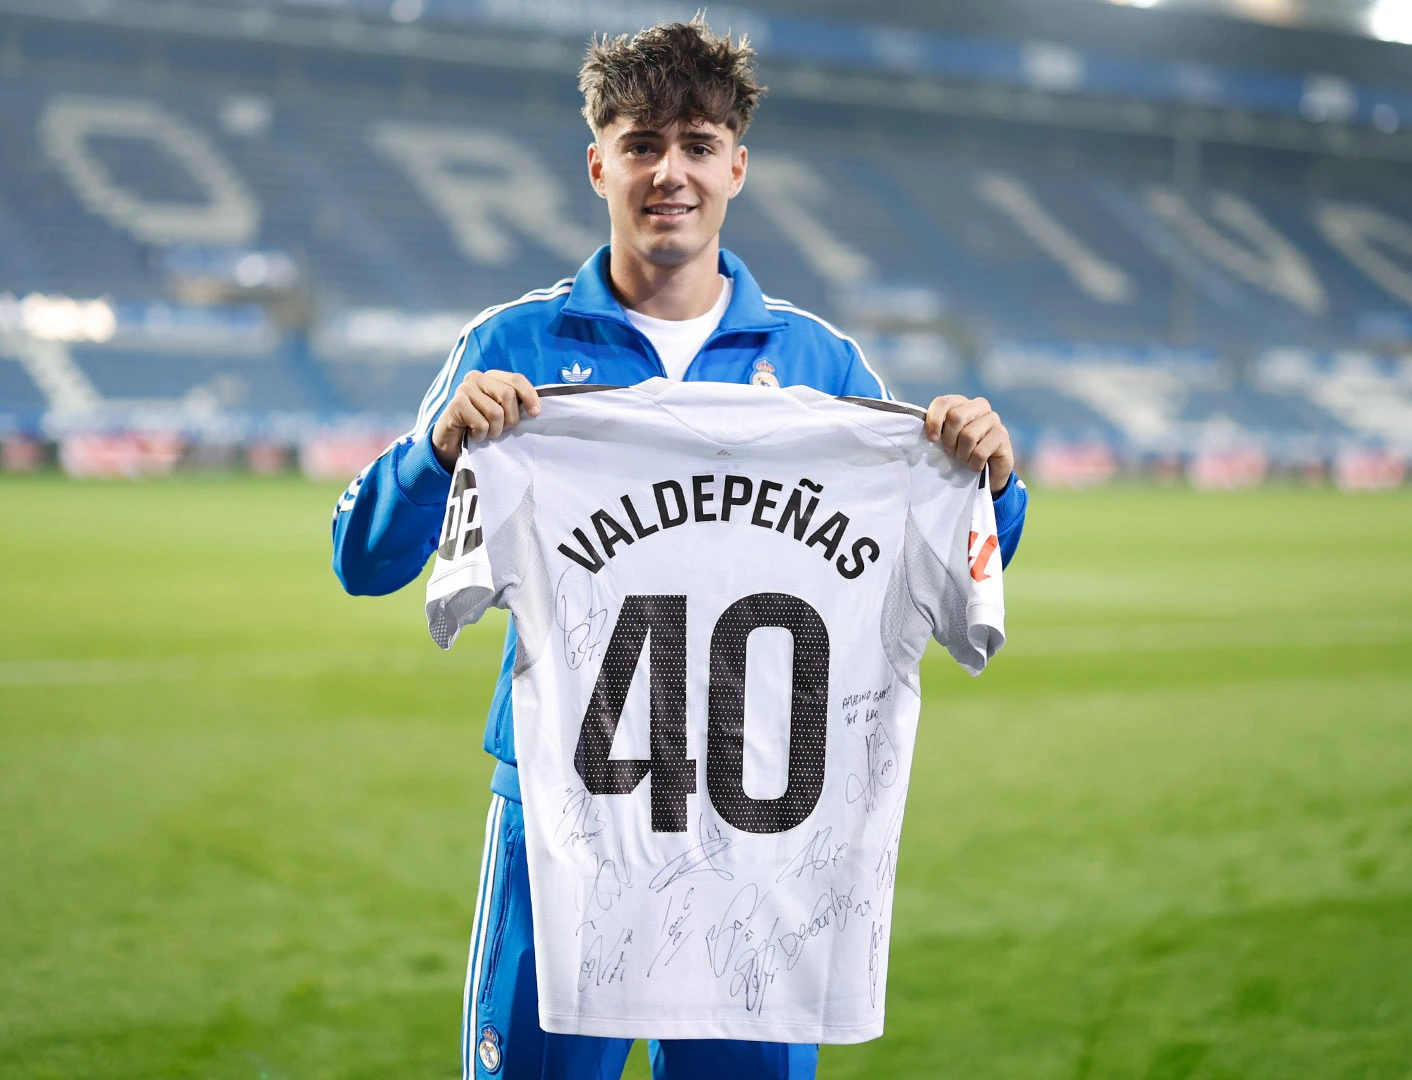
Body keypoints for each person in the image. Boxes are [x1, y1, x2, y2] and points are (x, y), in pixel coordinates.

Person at [331, 17, 1027, 1079]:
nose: (671, 173)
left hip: (767, 833)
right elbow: (363, 558)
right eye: (642, 144)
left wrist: (992, 483)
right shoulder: (511, 346)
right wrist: (436, 452)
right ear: (598, 164)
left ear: (736, 167)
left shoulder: (819, 363)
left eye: (698, 145)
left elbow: (952, 560)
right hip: (568, 817)